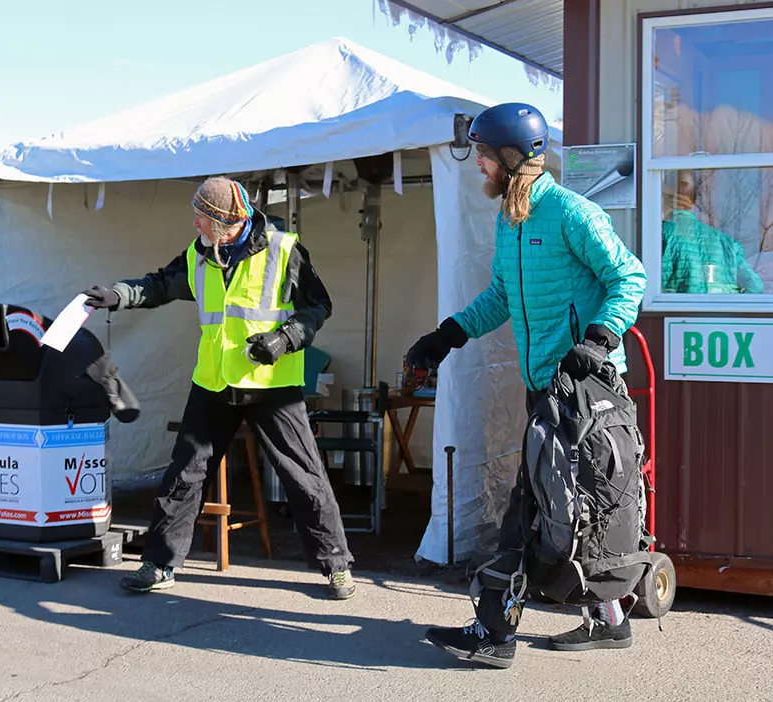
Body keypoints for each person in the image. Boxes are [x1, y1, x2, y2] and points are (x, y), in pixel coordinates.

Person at [406, 103, 647, 668]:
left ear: (513, 157)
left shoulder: (570, 213)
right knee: (569, 504)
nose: (479, 167)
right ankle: (608, 618)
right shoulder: (510, 220)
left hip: (586, 389)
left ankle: (494, 632)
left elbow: (629, 276)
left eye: (485, 157)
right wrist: (445, 337)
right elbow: (499, 298)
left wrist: (598, 339)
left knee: (529, 507)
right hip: (546, 388)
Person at [82, 176, 356, 600]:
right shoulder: (199, 254)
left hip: (272, 383)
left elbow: (318, 307)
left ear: (229, 223)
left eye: (202, 218)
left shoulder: (284, 250)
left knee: (304, 476)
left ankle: (336, 564)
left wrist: (284, 340)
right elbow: (159, 284)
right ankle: (159, 564)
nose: (195, 224)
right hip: (213, 382)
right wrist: (118, 294)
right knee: (185, 472)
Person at [661, 170, 765, 294]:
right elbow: (755, 287)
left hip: (674, 312)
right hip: (720, 312)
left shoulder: (658, 235)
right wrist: (730, 306)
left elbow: (647, 289)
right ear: (694, 201)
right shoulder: (726, 242)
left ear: (665, 198)